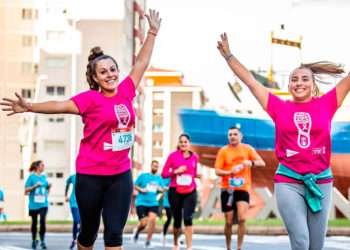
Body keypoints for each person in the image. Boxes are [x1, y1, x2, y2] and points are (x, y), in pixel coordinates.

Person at [1, 9, 161, 250]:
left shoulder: (127, 90)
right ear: (95, 78)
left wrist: (152, 32)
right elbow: (59, 105)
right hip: (90, 175)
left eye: (113, 70)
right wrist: (29, 106)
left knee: (115, 234)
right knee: (88, 233)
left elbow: (141, 62)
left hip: (120, 175)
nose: (110, 75)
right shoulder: (90, 99)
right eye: (103, 72)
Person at [217, 32, 350, 250]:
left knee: (316, 246)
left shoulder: (327, 103)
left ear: (313, 84)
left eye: (305, 79)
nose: (299, 83)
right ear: (289, 85)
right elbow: (250, 82)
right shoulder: (279, 107)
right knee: (300, 241)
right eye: (294, 79)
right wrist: (229, 56)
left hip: (321, 182)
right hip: (289, 180)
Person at [215, 126, 265, 250]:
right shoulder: (223, 151)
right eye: (230, 134)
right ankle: (228, 247)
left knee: (242, 219)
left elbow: (262, 163)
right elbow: (217, 170)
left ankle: (239, 247)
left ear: (240, 136)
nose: (232, 136)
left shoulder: (248, 149)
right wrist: (229, 172)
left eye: (235, 134)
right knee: (228, 221)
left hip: (243, 188)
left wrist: (251, 163)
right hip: (227, 189)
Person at [161, 134, 201, 250]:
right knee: (177, 219)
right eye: (181, 142)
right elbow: (164, 174)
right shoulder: (172, 156)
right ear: (178, 143)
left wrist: (197, 176)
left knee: (188, 218)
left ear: (189, 143)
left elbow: (193, 172)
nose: (183, 144)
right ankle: (175, 243)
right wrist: (176, 171)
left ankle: (189, 247)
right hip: (175, 191)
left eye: (185, 142)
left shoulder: (195, 157)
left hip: (190, 190)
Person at [132, 160, 164, 248]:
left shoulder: (159, 178)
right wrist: (141, 190)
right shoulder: (143, 176)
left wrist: (161, 189)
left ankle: (148, 241)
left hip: (153, 202)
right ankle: (137, 231)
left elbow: (162, 189)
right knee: (144, 223)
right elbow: (134, 185)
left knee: (153, 220)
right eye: (154, 166)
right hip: (141, 202)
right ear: (151, 166)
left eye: (157, 166)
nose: (155, 167)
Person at [25, 160, 51, 250]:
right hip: (33, 205)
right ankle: (34, 240)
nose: (44, 167)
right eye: (42, 165)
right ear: (37, 167)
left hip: (44, 204)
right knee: (34, 223)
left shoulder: (44, 177)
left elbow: (47, 192)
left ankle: (42, 241)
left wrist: (49, 187)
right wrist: (35, 186)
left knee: (42, 222)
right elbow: (25, 191)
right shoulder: (31, 177)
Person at [65, 174, 80, 250]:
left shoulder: (89, 175)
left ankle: (74, 239)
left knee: (77, 222)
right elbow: (67, 183)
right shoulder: (73, 176)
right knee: (77, 220)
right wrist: (66, 195)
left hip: (84, 203)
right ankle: (76, 239)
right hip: (74, 202)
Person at [160, 177, 172, 247]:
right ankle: (164, 234)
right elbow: (162, 187)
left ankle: (179, 237)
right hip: (167, 203)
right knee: (169, 218)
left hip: (176, 202)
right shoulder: (167, 178)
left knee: (178, 219)